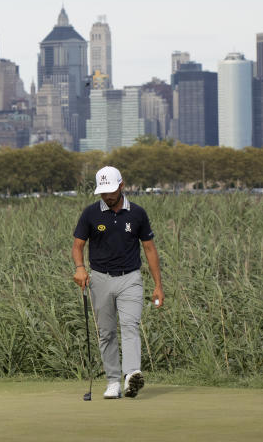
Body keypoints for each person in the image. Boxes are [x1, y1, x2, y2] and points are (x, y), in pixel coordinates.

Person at [72, 166, 164, 399]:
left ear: (122, 185)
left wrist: (158, 285)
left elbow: (150, 249)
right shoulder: (90, 213)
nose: (107, 196)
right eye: (103, 192)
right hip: (100, 279)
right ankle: (113, 381)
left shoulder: (138, 213)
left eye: (111, 191)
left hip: (130, 278)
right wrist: (80, 268)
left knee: (130, 326)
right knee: (106, 333)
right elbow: (78, 245)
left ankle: (131, 375)